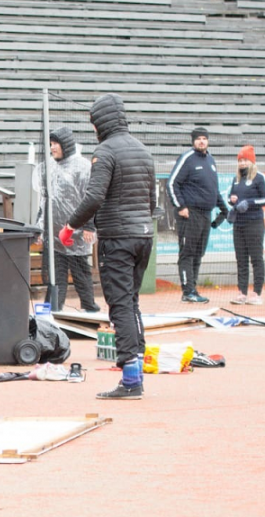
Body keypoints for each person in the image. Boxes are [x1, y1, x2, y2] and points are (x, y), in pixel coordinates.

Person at [61, 94, 155, 400]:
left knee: (120, 304)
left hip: (118, 238)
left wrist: (71, 226)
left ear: (100, 122)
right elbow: (152, 200)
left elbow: (94, 197)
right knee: (132, 301)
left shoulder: (105, 151)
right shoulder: (143, 150)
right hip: (144, 235)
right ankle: (137, 369)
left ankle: (130, 378)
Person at [34, 127, 100, 313]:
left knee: (81, 273)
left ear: (66, 145)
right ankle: (53, 311)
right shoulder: (48, 167)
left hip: (76, 233)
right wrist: (39, 228)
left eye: (55, 144)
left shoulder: (83, 167)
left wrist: (89, 226)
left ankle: (89, 308)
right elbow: (44, 200)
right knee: (55, 276)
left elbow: (91, 198)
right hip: (53, 233)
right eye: (51, 144)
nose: (52, 148)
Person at [167, 127, 230, 303]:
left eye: (204, 138)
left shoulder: (211, 160)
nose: (202, 141)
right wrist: (181, 206)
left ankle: (193, 289)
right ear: (193, 141)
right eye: (198, 139)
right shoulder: (187, 158)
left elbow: (214, 190)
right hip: (190, 214)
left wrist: (223, 209)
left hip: (205, 214)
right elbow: (172, 183)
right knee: (187, 253)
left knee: (198, 253)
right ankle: (187, 291)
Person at [228, 145, 265, 306]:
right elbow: (231, 197)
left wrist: (249, 203)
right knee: (241, 259)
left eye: (245, 160)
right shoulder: (236, 179)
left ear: (252, 161)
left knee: (256, 258)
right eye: (240, 160)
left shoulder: (260, 178)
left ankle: (256, 293)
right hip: (238, 224)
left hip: (254, 223)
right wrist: (232, 201)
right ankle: (241, 292)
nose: (242, 163)